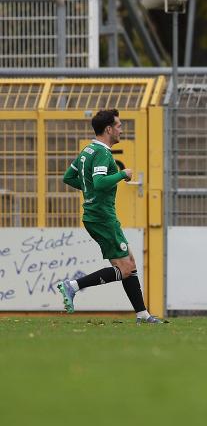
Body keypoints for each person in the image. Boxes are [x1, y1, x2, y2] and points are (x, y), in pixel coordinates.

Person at [56, 109, 162, 323]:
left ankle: (143, 314)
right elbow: (99, 182)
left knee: (129, 262)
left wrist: (89, 191)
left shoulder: (88, 150)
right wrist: (122, 174)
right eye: (119, 126)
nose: (121, 130)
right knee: (125, 268)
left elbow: (68, 177)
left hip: (96, 216)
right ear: (108, 129)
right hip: (102, 217)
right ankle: (73, 286)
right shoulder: (103, 153)